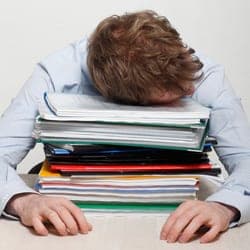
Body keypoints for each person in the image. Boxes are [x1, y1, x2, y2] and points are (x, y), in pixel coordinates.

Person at [1, 10, 249, 243]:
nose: (191, 89)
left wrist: (225, 207)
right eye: (173, 94)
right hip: (82, 217)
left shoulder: (200, 72)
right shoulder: (56, 73)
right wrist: (23, 201)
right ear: (125, 101)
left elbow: (246, 158)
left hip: (174, 208)